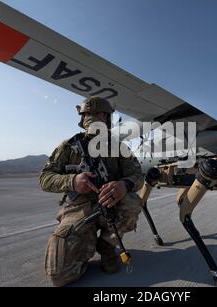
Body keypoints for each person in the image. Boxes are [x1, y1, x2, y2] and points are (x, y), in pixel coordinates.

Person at [39, 97, 144, 287]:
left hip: (111, 203)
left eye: (100, 114)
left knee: (132, 202)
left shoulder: (119, 147)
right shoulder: (69, 146)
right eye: (90, 115)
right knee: (59, 275)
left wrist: (123, 185)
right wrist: (72, 181)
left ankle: (106, 246)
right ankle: (85, 246)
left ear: (107, 118)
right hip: (79, 207)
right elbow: (45, 178)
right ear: (83, 118)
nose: (95, 118)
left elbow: (137, 175)